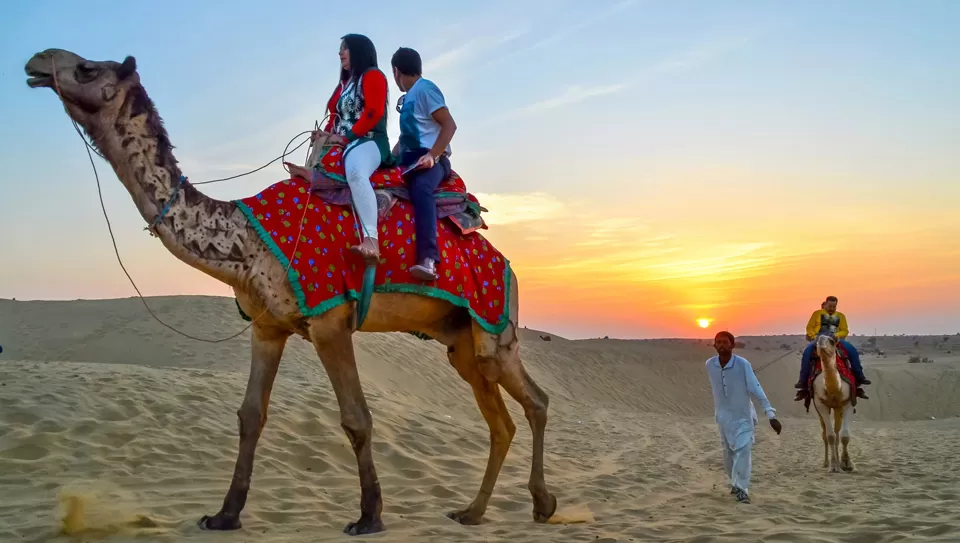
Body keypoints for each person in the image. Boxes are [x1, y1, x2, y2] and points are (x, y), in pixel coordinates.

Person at [319, 34, 394, 264]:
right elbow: (336, 117)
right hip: (345, 144)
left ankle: (372, 239)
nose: (340, 53)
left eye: (346, 48)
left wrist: (346, 138)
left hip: (369, 141)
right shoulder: (345, 85)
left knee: (355, 172)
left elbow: (373, 113)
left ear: (359, 51)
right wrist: (325, 135)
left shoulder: (373, 76)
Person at [390, 47, 458, 281]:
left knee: (421, 189)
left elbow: (449, 125)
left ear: (396, 71)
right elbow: (406, 138)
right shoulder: (408, 98)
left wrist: (433, 156)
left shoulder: (426, 89)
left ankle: (428, 259)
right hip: (408, 159)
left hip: (432, 160)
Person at [705, 331, 782, 504]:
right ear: (715, 345)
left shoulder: (742, 364)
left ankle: (741, 488)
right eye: (718, 342)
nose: (722, 345)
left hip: (744, 417)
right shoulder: (710, 364)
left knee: (743, 450)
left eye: (725, 342)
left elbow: (756, 388)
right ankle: (734, 483)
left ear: (732, 345)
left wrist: (770, 414)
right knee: (728, 453)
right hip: (723, 417)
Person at [794, 296, 870, 401]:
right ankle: (802, 383)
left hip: (835, 339)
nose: (832, 308)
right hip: (819, 338)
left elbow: (845, 330)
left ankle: (859, 377)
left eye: (834, 306)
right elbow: (809, 327)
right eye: (830, 306)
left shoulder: (841, 316)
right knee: (807, 353)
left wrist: (837, 335)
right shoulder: (817, 314)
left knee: (852, 351)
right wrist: (814, 336)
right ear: (825, 304)